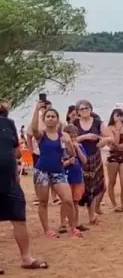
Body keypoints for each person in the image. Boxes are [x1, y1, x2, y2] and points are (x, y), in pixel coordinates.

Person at [0, 99, 47, 272]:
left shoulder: (9, 123)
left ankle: (26, 258)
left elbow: (17, 152)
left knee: (19, 218)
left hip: (10, 180)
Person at [28, 101, 81, 238]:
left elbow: (72, 154)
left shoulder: (63, 136)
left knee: (68, 200)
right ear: (44, 119)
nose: (51, 118)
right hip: (42, 171)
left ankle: (73, 227)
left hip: (58, 171)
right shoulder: (41, 135)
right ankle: (47, 229)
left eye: (53, 116)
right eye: (48, 116)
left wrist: (68, 142)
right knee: (43, 201)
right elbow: (34, 128)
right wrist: (37, 110)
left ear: (57, 119)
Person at [73, 100, 106, 224]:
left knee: (94, 186)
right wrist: (85, 137)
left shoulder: (98, 123)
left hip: (94, 157)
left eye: (86, 108)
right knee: (79, 186)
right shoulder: (74, 124)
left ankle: (92, 214)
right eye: (81, 109)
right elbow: (68, 139)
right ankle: (75, 217)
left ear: (91, 109)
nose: (84, 110)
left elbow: (109, 136)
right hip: (79, 158)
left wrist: (103, 141)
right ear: (78, 112)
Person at [104, 108, 123, 212]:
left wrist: (119, 146)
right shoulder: (109, 128)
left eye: (121, 116)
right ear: (113, 117)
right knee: (112, 181)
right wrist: (118, 130)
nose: (119, 118)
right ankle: (114, 205)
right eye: (117, 116)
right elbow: (113, 143)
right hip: (113, 156)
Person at [61, 124, 88, 233]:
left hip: (77, 178)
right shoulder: (62, 148)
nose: (72, 139)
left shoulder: (79, 146)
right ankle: (63, 223)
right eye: (70, 137)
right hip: (66, 178)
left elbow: (84, 161)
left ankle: (75, 223)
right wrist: (68, 162)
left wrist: (77, 149)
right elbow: (59, 164)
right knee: (66, 201)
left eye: (74, 137)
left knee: (75, 202)